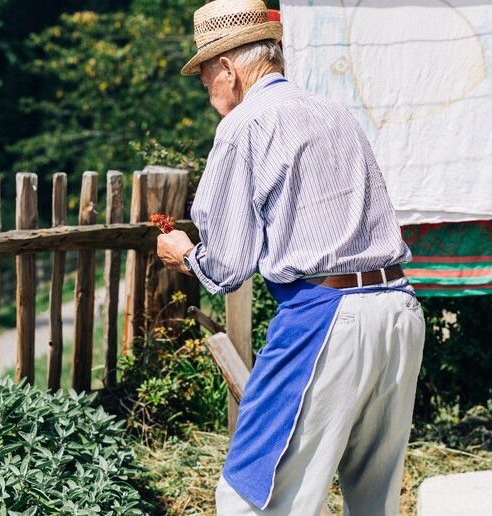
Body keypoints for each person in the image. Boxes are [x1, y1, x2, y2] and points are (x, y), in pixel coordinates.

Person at [157, 1, 425, 514]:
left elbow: (228, 265)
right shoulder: (334, 112)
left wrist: (186, 255)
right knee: (374, 502)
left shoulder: (244, 126)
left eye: (205, 75)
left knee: (249, 500)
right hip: (398, 309)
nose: (206, 89)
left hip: (325, 318)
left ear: (229, 69)